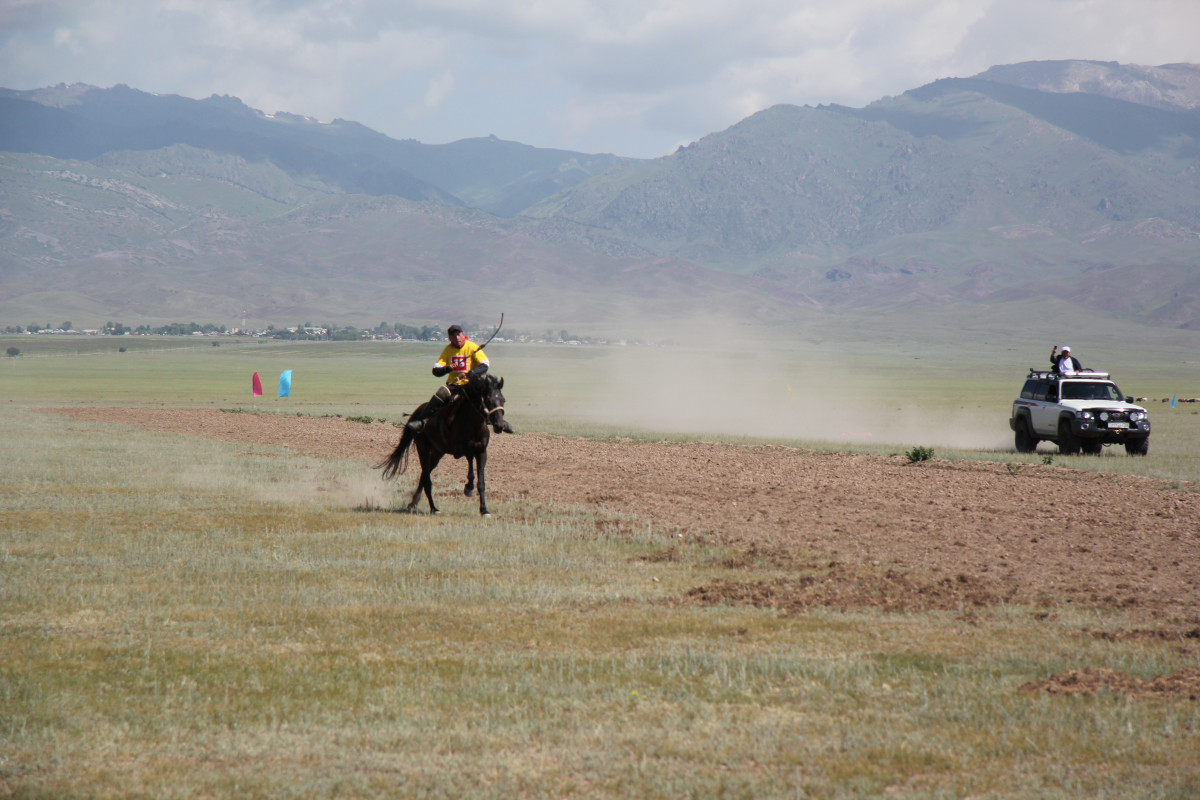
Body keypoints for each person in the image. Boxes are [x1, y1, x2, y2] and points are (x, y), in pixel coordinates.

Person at [406, 324, 489, 432]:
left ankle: (499, 421)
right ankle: (422, 421)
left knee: (492, 394)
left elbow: (485, 365)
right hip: (454, 385)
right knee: (440, 394)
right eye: (453, 336)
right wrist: (448, 368)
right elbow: (436, 370)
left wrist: (469, 374)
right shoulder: (447, 350)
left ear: (463, 335)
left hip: (472, 384)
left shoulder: (472, 347)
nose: (457, 338)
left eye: (458, 334)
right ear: (449, 338)